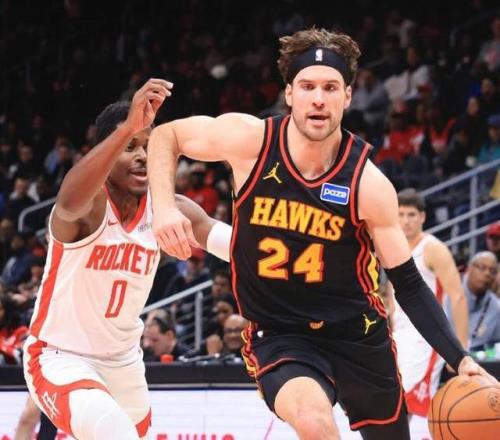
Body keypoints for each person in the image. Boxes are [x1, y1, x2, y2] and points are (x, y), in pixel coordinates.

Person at [147, 28, 496, 440]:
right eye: (307, 86)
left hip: (358, 334)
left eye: (330, 88)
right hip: (282, 334)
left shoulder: (367, 183)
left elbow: (408, 283)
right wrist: (164, 206)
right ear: (289, 93)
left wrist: (460, 357)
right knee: (315, 424)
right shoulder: (251, 142)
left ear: (347, 96)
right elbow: (166, 135)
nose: (318, 98)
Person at [23, 79, 231, 440]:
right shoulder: (91, 207)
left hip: (124, 364)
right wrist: (127, 128)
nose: (142, 155)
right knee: (112, 431)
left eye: (148, 146)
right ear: (106, 151)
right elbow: (68, 201)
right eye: (130, 146)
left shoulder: (168, 208)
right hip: (61, 356)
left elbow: (233, 244)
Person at [391, 189, 468, 423]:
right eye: (401, 214)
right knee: (392, 402)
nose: (406, 220)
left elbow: (458, 296)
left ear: (423, 217)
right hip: (399, 334)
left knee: (406, 404)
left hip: (426, 337)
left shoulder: (433, 248)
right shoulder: (393, 246)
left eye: (411, 214)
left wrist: (461, 350)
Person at [462, 251, 500, 351]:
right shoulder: (449, 293)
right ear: (469, 269)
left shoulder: (496, 307)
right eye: (482, 267)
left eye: (492, 271)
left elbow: (496, 345)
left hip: (477, 357)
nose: (487, 273)